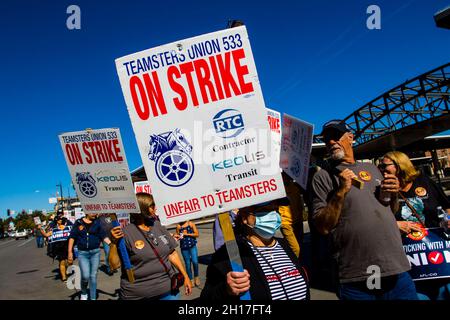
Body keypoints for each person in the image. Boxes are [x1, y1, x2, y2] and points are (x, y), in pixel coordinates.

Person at [311, 119, 417, 300]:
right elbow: (322, 226)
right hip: (358, 275)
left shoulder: (372, 169)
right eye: (327, 138)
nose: (331, 142)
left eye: (336, 136)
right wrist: (340, 192)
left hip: (395, 268)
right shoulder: (322, 177)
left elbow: (387, 207)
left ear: (350, 138)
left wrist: (391, 193)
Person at [201, 202, 309, 301]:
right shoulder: (229, 254)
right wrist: (226, 290)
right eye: (264, 210)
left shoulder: (284, 245)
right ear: (244, 218)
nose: (272, 215)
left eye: (275, 209)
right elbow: (207, 297)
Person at [380, 150, 450, 300]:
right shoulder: (382, 189)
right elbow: (377, 219)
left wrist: (448, 218)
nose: (381, 169)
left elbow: (446, 205)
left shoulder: (424, 181)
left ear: (399, 165)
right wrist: (394, 224)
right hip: (408, 259)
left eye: (384, 165)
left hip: (438, 252)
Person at [109, 193, 192, 300]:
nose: (155, 208)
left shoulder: (157, 225)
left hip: (168, 291)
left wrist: (185, 276)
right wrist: (113, 243)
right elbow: (114, 265)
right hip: (138, 294)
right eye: (152, 206)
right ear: (143, 208)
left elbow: (172, 253)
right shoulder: (125, 233)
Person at [68, 213, 111, 300]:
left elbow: (104, 236)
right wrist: (70, 252)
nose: (95, 214)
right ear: (86, 211)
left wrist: (113, 245)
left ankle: (93, 298)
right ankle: (84, 292)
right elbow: (72, 237)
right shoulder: (78, 222)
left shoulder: (97, 223)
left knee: (93, 276)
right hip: (82, 253)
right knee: (85, 276)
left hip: (95, 253)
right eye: (92, 212)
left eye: (96, 212)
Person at [278, 171, 304, 258]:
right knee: (296, 249)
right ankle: (294, 267)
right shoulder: (278, 189)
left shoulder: (294, 187)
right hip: (286, 224)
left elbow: (299, 203)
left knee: (299, 245)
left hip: (297, 221)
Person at [40, 213, 73, 282]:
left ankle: (68, 270)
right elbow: (46, 235)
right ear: (57, 221)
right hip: (59, 247)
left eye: (61, 219)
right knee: (62, 262)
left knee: (69, 261)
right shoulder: (54, 230)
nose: (60, 221)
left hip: (68, 246)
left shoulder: (69, 228)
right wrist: (40, 228)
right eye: (59, 220)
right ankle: (64, 277)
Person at [176, 220, 200, 287]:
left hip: (192, 246)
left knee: (195, 261)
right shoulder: (178, 226)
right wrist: (178, 237)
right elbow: (178, 236)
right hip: (184, 248)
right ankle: (190, 279)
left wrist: (187, 234)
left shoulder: (191, 223)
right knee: (187, 264)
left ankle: (196, 276)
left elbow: (197, 234)